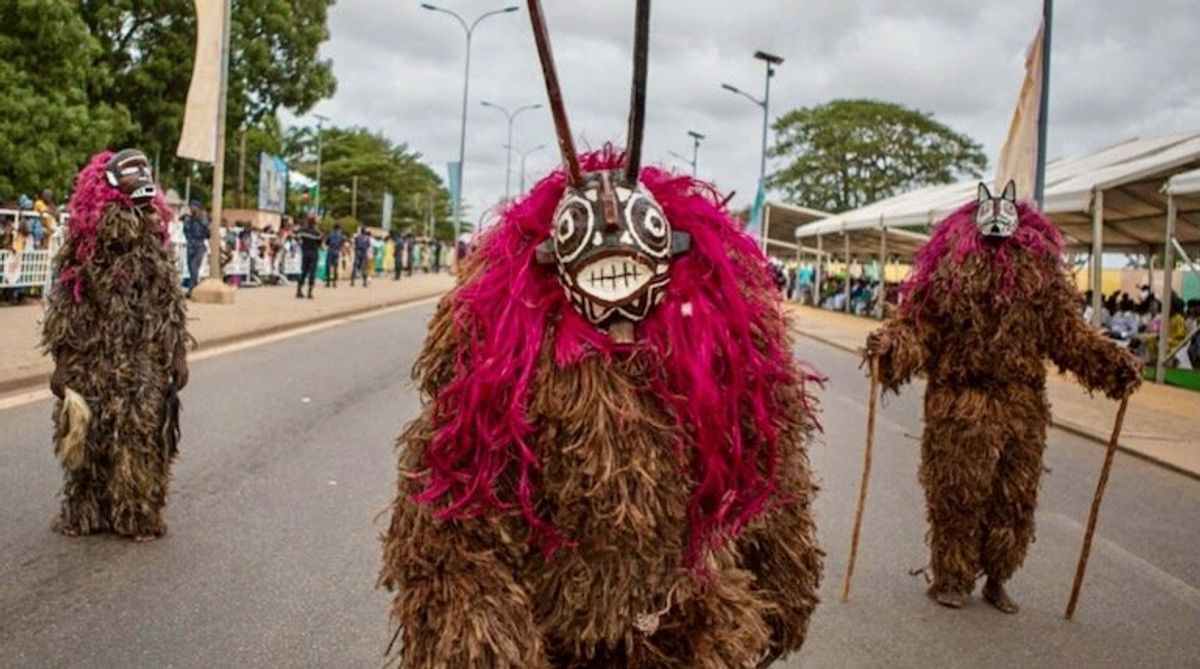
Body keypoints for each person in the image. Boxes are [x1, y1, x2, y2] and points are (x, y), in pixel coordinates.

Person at [379, 4, 821, 666]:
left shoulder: (720, 352)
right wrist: (484, 640)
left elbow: (769, 470)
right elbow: (450, 516)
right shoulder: (508, 360)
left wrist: (783, 588)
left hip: (686, 624)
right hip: (556, 630)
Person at [865, 181, 1140, 614]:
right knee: (956, 496)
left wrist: (1109, 365)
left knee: (1014, 497)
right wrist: (892, 347)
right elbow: (919, 326)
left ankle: (997, 576)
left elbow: (1067, 335)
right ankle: (951, 577)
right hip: (959, 402)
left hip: (1021, 405)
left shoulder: (1040, 282)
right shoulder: (946, 278)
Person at [42, 149, 190, 541]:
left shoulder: (153, 244)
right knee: (84, 440)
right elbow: (66, 304)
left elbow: (169, 301)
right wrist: (62, 361)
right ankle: (85, 511)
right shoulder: (82, 248)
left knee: (137, 440)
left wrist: (176, 353)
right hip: (91, 359)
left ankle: (136, 513)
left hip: (140, 362)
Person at [181, 200, 209, 297]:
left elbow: (207, 232)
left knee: (194, 267)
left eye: (194, 206)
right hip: (190, 244)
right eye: (191, 206)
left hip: (199, 244)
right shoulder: (188, 220)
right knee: (190, 267)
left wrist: (200, 219)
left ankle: (192, 289)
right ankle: (194, 287)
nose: (192, 208)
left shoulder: (203, 219)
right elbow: (185, 230)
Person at [295, 215, 322, 298]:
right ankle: (309, 292)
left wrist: (301, 244)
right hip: (313, 253)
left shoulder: (303, 230)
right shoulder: (317, 232)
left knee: (303, 272)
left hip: (305, 252)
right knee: (312, 273)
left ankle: (299, 290)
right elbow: (319, 243)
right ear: (314, 222)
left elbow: (297, 237)